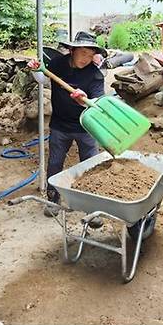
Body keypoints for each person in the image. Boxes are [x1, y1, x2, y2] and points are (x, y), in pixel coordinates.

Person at [27, 31, 106, 222]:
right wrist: (35, 69)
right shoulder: (57, 64)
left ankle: (93, 209)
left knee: (91, 166)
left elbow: (98, 103)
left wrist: (84, 100)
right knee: (55, 163)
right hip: (60, 126)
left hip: (86, 128)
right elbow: (44, 79)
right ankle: (53, 200)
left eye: (90, 55)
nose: (86, 59)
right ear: (72, 50)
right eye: (83, 53)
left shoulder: (95, 75)